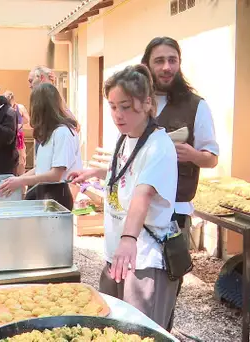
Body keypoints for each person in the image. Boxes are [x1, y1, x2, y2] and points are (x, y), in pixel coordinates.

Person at [69, 64, 180, 328]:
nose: (117, 114)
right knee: (112, 327)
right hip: (118, 253)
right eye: (112, 106)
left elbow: (143, 195)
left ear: (147, 103)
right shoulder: (127, 136)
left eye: (126, 106)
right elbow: (128, 170)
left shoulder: (158, 145)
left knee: (138, 331)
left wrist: (128, 239)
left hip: (143, 258)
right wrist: (95, 171)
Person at [141, 36, 219, 330]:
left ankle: (163, 333)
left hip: (175, 211)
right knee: (139, 282)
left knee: (168, 283)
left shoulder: (196, 106)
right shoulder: (138, 100)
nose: (167, 67)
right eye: (160, 60)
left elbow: (212, 157)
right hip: (136, 206)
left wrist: (193, 154)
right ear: (148, 64)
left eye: (172, 60)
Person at [0, 84, 81, 210]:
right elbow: (41, 169)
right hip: (44, 192)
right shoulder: (50, 133)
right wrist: (16, 180)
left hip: (58, 196)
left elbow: (55, 175)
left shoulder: (63, 133)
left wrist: (21, 182)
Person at [4, 90, 30, 176]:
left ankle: (21, 181)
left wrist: (20, 125)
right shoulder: (4, 109)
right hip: (8, 140)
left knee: (21, 162)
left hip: (19, 139)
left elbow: (28, 122)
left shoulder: (20, 108)